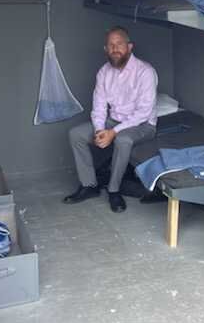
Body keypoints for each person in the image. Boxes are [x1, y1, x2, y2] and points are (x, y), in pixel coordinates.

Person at [65, 26, 158, 213]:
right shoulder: (103, 72)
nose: (115, 49)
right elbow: (99, 106)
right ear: (106, 49)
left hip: (142, 124)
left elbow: (143, 112)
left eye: (120, 44)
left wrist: (113, 133)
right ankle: (89, 185)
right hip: (112, 121)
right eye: (111, 45)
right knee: (76, 134)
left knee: (123, 140)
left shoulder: (145, 72)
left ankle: (114, 191)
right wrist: (100, 130)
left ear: (130, 47)